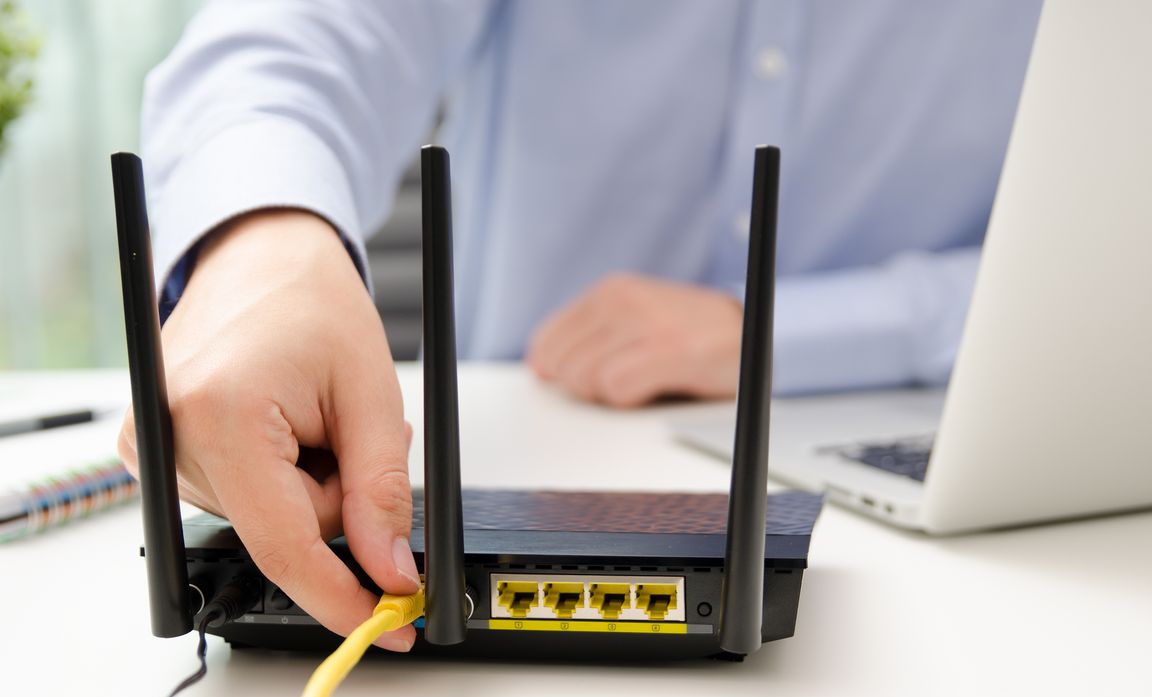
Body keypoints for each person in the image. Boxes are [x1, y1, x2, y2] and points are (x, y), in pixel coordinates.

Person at [124, 1, 1042, 650]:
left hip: (964, 487)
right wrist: (262, 243)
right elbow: (291, 39)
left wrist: (787, 329)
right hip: (509, 444)